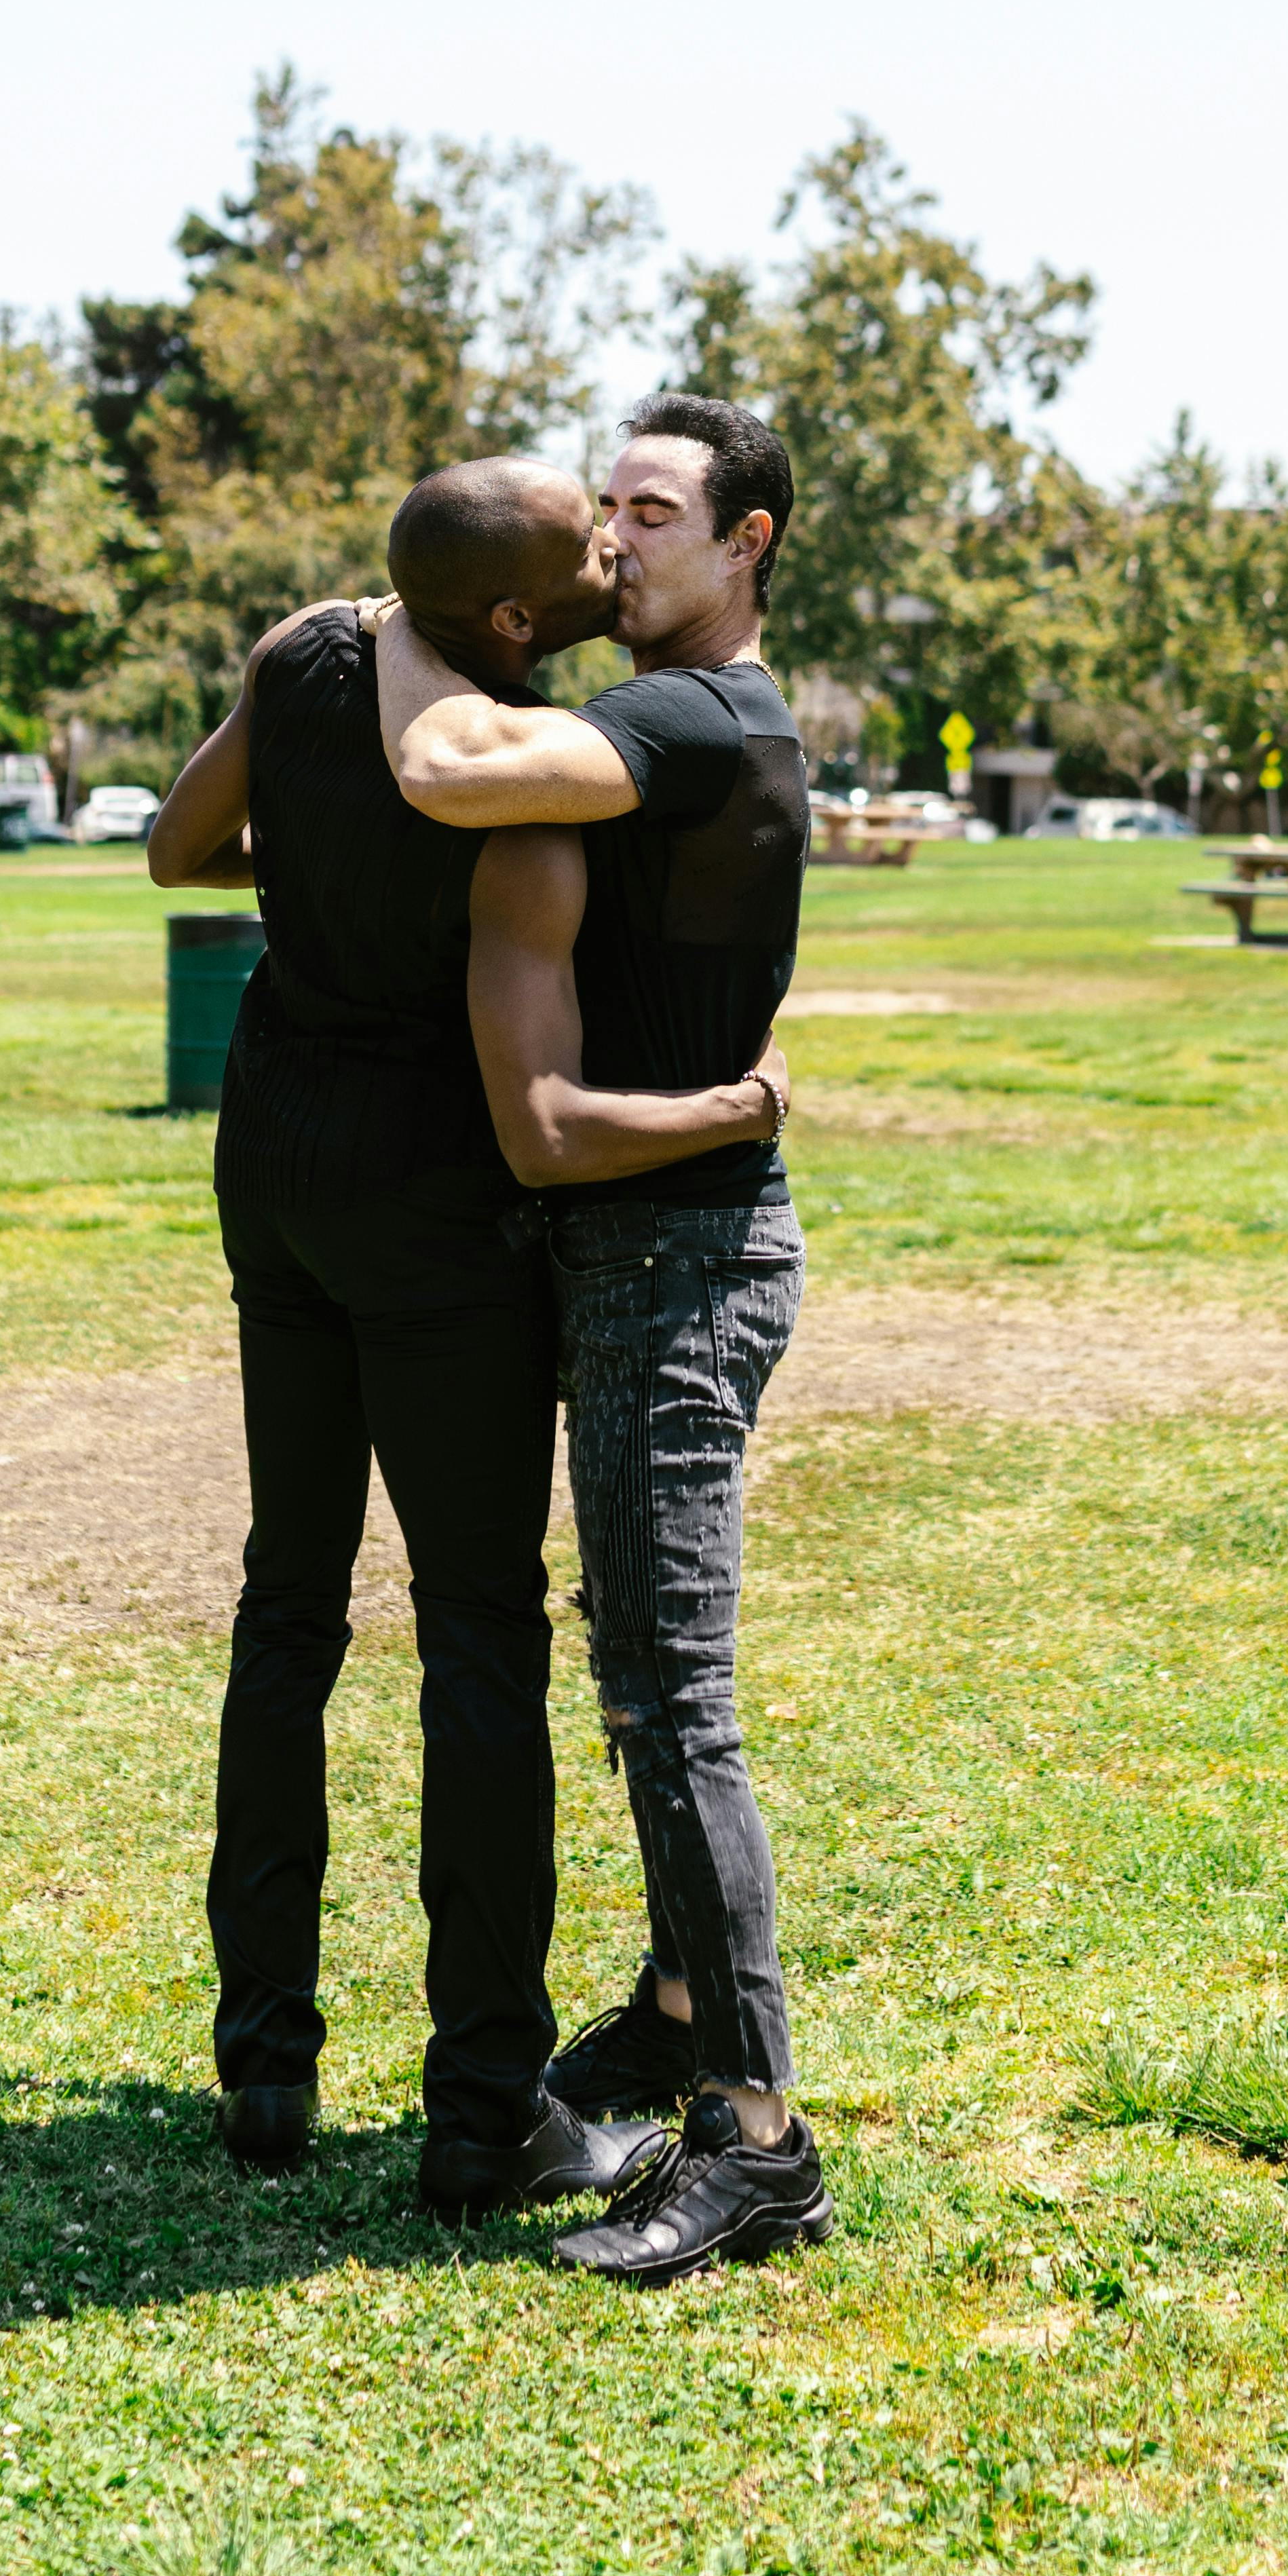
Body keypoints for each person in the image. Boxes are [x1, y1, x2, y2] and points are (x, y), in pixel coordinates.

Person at [147, 457, 787, 2226]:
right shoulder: (517, 749)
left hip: (273, 1155)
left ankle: (265, 2058)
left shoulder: (301, 660)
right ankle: (489, 2105)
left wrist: (317, 838)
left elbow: (174, 849)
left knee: (291, 1596)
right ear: (510, 620)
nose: (610, 556)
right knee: (481, 1634)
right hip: (436, 1193)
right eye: (587, 548)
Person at [375, 395, 832, 2284]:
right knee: (637, 1669)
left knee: (672, 1703)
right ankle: (666, 2005)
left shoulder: (681, 718)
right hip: (653, 1250)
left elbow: (449, 771)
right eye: (603, 514)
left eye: (652, 515)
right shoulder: (688, 724)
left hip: (679, 1263)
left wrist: (404, 617)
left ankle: (757, 2139)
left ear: (748, 546)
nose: (609, 549)